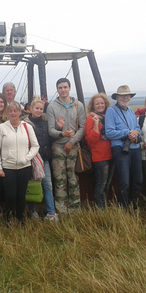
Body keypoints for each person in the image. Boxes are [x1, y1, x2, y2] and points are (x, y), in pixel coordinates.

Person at [0, 102, 39, 224]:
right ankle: (8, 219)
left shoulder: (27, 127)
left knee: (21, 195)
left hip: (24, 166)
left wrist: (26, 158)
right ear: (7, 113)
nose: (13, 113)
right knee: (10, 195)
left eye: (15, 110)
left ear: (20, 112)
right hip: (8, 167)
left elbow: (35, 146)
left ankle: (20, 219)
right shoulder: (1, 128)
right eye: (11, 111)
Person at [47, 78, 86, 213]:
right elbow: (50, 130)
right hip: (58, 147)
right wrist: (62, 134)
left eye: (65, 87)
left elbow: (82, 127)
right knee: (59, 179)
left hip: (73, 147)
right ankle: (61, 209)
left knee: (74, 179)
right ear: (57, 90)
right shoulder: (52, 107)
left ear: (69, 88)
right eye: (60, 88)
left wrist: (72, 142)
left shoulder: (78, 105)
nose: (63, 90)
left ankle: (75, 209)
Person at [105, 85, 142, 211]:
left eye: (127, 96)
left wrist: (136, 133)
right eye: (122, 96)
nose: (125, 98)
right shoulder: (111, 111)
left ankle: (134, 204)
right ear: (117, 97)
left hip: (135, 148)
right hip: (121, 149)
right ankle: (123, 208)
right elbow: (109, 132)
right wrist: (127, 133)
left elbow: (137, 128)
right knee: (124, 181)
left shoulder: (130, 111)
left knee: (138, 179)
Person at [25, 96, 58, 221]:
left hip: (44, 158)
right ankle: (33, 212)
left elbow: (51, 138)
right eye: (36, 108)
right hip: (32, 159)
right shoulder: (26, 123)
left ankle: (51, 213)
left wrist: (59, 128)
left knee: (47, 185)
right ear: (31, 109)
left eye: (41, 109)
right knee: (33, 185)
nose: (39, 111)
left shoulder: (45, 122)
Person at [84, 93, 114, 210]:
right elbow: (91, 140)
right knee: (101, 184)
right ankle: (100, 209)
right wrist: (96, 124)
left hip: (111, 155)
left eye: (102, 103)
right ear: (93, 106)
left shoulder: (108, 118)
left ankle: (104, 205)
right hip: (100, 157)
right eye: (97, 104)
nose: (100, 105)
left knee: (107, 184)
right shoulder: (90, 119)